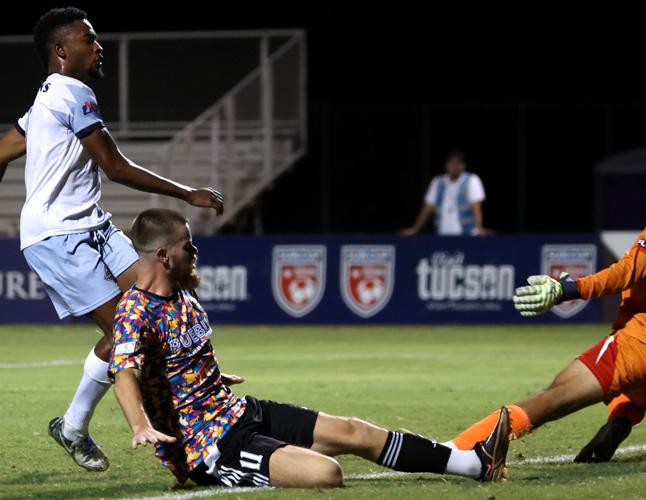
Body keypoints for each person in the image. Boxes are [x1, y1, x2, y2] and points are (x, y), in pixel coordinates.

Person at [109, 208, 511, 487]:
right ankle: (238, 474)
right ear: (163, 255)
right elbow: (123, 371)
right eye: (187, 246)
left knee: (355, 430)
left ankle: (474, 464)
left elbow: (177, 363)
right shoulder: (134, 310)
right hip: (210, 449)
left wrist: (208, 376)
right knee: (326, 474)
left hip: (238, 413)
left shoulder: (182, 295)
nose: (194, 253)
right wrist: (140, 425)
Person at [0, 7, 224, 471]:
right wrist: (188, 193)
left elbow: (3, 149)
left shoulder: (45, 99)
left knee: (159, 301)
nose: (98, 47)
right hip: (58, 234)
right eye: (89, 39)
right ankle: (99, 429)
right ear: (62, 51)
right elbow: (115, 165)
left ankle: (78, 424)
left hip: (94, 226)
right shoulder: (72, 93)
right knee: (128, 330)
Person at [447, 129, 646, 463]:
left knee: (554, 396)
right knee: (629, 385)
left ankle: (458, 450)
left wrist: (568, 288)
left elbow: (625, 273)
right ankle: (622, 417)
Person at [401, 149, 487, 236]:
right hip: (443, 234)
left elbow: (476, 207)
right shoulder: (438, 182)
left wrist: (479, 228)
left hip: (466, 234)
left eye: (458, 163)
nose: (455, 166)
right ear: (446, 165)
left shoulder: (471, 180)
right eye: (452, 163)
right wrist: (415, 229)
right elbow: (427, 208)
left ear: (463, 165)